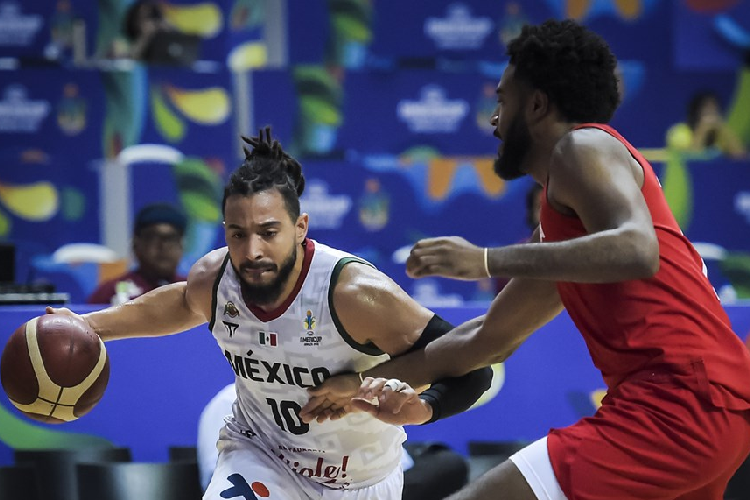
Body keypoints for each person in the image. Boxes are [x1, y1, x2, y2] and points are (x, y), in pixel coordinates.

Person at [303, 20, 750, 500]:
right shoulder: (570, 233)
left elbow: (639, 250)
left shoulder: (584, 146)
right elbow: (486, 339)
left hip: (679, 402)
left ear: (536, 105)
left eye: (502, 101)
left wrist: (487, 261)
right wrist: (358, 385)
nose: (493, 120)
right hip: (712, 408)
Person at [51, 127, 491, 499]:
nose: (251, 251)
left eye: (268, 232)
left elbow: (473, 370)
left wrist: (406, 401)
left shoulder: (354, 293)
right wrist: (88, 326)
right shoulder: (216, 279)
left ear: (300, 228)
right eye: (237, 234)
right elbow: (183, 302)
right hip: (260, 455)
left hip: (361, 479)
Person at [197, 383, 470, 499]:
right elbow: (219, 478)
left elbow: (395, 468)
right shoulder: (229, 403)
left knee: (446, 464)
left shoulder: (334, 395)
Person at [87, 203, 187, 305]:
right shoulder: (109, 294)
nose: (163, 247)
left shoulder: (193, 290)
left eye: (171, 238)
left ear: (182, 245)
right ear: (136, 244)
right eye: (153, 237)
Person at [666, 90, 747, 159]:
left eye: (714, 109)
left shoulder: (720, 133)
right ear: (696, 112)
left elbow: (741, 157)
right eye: (706, 109)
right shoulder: (679, 132)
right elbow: (692, 160)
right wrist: (703, 130)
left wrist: (723, 129)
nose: (711, 113)